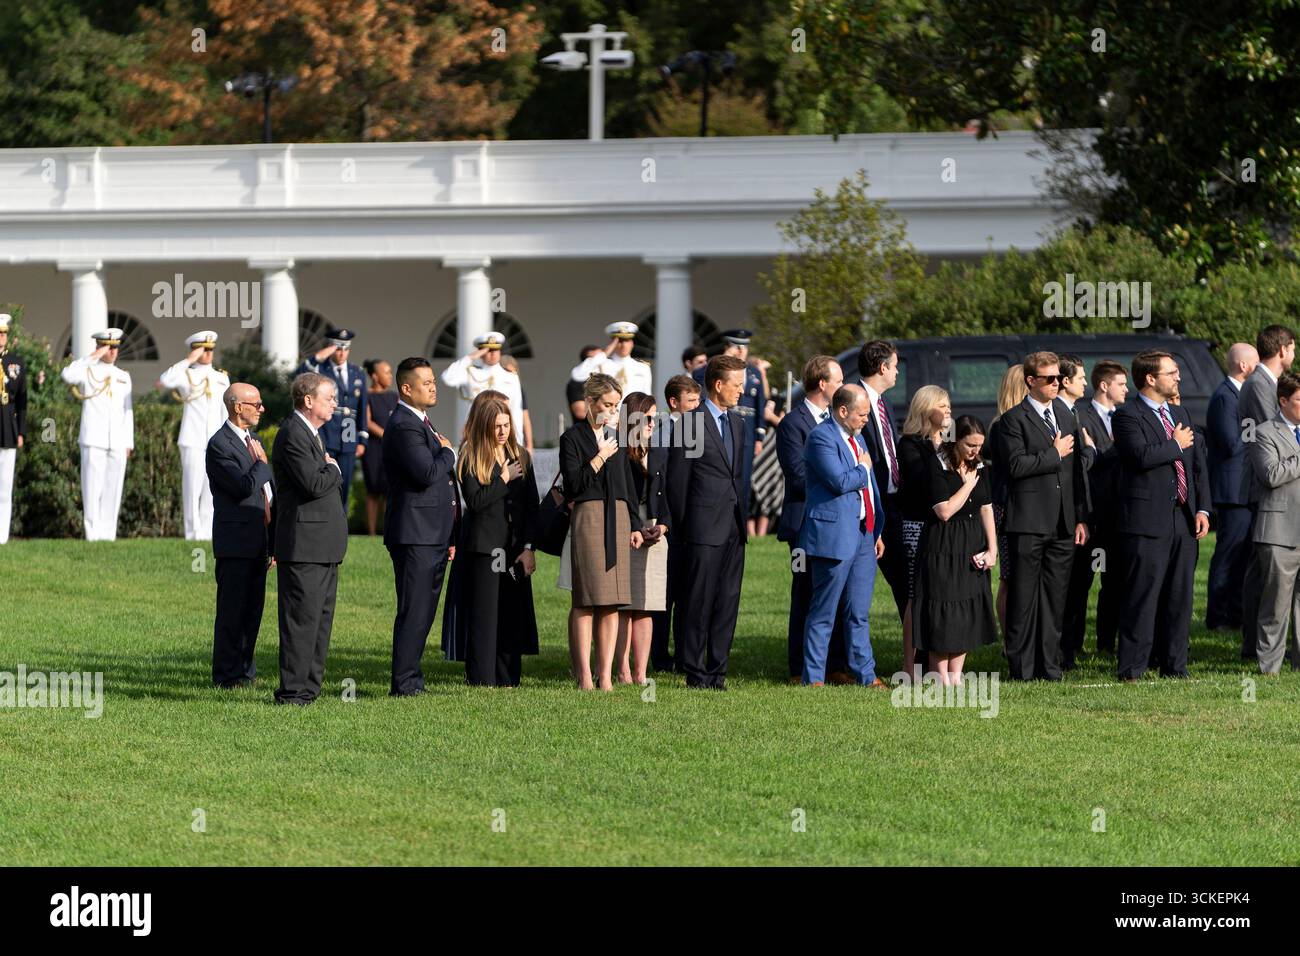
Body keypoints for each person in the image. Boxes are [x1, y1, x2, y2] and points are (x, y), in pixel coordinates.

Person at [1112, 350, 1211, 681]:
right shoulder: (1128, 415)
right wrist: (1175, 444)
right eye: (1172, 372)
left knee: (1180, 596)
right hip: (1145, 521)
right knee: (1142, 595)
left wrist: (1201, 508)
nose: (1178, 377)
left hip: (1182, 519)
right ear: (1150, 378)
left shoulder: (1180, 411)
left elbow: (1197, 467)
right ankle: (1132, 668)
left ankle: (1175, 665)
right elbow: (1138, 456)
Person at [991, 351, 1089, 681]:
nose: (1056, 384)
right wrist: (1053, 454)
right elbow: (1016, 466)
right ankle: (1022, 668)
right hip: (1028, 522)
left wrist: (1079, 517)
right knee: (1023, 598)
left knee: (1054, 599)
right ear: (1030, 381)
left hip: (1062, 523)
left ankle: (1050, 666)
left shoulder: (1065, 414)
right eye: (1049, 379)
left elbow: (1075, 471)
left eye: (1059, 378)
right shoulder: (1012, 421)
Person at [446, 391, 539, 687]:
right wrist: (502, 479)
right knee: (484, 616)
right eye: (496, 426)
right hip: (484, 547)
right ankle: (481, 678)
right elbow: (475, 500)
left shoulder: (520, 455)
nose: (502, 432)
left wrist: (528, 548)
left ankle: (509, 677)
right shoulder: (471, 454)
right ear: (485, 425)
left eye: (506, 425)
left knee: (511, 613)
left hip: (514, 548)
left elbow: (530, 505)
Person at [667, 355, 748, 690]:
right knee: (697, 601)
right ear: (718, 385)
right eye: (737, 384)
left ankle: (718, 670)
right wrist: (686, 529)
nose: (742, 391)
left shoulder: (738, 424)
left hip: (733, 527)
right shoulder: (690, 424)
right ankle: (695, 670)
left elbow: (737, 477)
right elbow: (677, 483)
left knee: (727, 600)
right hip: (701, 528)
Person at [799, 384, 888, 688]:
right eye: (862, 414)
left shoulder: (857, 437)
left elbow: (869, 489)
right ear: (842, 411)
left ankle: (866, 675)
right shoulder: (820, 438)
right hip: (834, 535)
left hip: (864, 534)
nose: (866, 419)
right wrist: (863, 469)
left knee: (858, 613)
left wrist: (876, 529)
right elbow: (839, 481)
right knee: (824, 611)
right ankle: (813, 678)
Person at [271, 373, 349, 705]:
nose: (335, 403)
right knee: (301, 622)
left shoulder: (312, 433)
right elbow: (313, 484)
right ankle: (292, 693)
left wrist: (328, 468)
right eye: (329, 398)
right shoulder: (293, 433)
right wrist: (334, 469)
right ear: (308, 400)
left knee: (320, 621)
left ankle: (309, 689)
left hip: (323, 545)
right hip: (304, 545)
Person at [383, 357, 458, 697]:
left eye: (433, 381)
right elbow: (426, 473)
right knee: (414, 609)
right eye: (426, 382)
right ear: (406, 388)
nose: (433, 387)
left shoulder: (421, 422)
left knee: (424, 609)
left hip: (432, 532)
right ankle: (404, 682)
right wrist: (448, 454)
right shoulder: (404, 425)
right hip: (415, 533)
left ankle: (412, 677)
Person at [559, 373, 638, 691]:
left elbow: (628, 487)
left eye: (616, 405)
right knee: (587, 599)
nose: (612, 411)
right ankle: (585, 678)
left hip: (617, 516)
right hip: (589, 515)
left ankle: (606, 675)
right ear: (590, 402)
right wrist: (600, 457)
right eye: (607, 404)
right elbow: (573, 485)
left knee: (612, 601)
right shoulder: (572, 438)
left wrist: (634, 523)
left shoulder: (617, 436)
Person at [776, 356, 851, 683]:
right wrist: (838, 479)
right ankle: (799, 668)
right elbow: (797, 475)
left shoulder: (839, 422)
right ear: (823, 384)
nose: (844, 386)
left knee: (834, 594)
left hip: (837, 522)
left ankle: (834, 665)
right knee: (804, 592)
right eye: (838, 380)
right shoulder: (794, 424)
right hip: (803, 525)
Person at [912, 415, 999, 684]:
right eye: (970, 445)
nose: (975, 451)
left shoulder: (978, 465)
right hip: (942, 546)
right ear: (955, 440)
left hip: (971, 545)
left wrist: (992, 549)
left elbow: (986, 507)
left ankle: (956, 677)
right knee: (943, 611)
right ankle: (940, 678)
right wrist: (968, 484)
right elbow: (945, 511)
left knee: (965, 611)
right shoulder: (936, 464)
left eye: (979, 446)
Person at [205, 382, 274, 689]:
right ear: (237, 407)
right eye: (255, 404)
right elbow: (243, 487)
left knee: (252, 611)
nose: (261, 409)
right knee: (232, 611)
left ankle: (245, 670)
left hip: (259, 539)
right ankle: (226, 674)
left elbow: (267, 493)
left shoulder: (253, 440)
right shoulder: (220, 444)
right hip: (235, 542)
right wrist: (262, 464)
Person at [1237, 325, 1295, 660]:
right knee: (1264, 573)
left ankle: (1268, 646)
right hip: (1267, 488)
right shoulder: (1260, 385)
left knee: (1266, 573)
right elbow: (1275, 434)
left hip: (1284, 490)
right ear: (1284, 348)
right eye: (1293, 347)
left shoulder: (1266, 383)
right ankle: (1258, 647)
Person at [1070, 360, 1129, 656]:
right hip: (1091, 513)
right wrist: (1114, 448)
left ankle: (1106, 644)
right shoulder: (1080, 417)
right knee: (1080, 585)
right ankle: (1073, 645)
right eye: (1121, 384)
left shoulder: (1125, 418)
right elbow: (1086, 462)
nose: (1126, 389)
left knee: (1114, 584)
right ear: (1104, 385)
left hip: (1117, 516)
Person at [1245, 371, 1300, 675]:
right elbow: (1271, 475)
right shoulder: (1264, 432)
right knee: (1276, 605)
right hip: (1279, 533)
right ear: (1283, 400)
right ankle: (1269, 668)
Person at [897, 385, 952, 677]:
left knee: (940, 595)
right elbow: (922, 482)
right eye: (941, 406)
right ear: (925, 409)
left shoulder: (948, 442)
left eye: (948, 406)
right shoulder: (909, 444)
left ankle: (936, 664)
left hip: (944, 528)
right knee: (915, 596)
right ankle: (909, 667)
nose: (948, 412)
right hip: (917, 526)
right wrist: (937, 444)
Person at [615, 391, 670, 685]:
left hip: (655, 531)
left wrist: (663, 527)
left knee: (647, 605)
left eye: (655, 418)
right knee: (626, 606)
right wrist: (636, 528)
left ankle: (641, 672)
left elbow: (670, 495)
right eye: (647, 418)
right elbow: (622, 495)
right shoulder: (619, 450)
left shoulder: (660, 450)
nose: (652, 424)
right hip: (627, 530)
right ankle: (622, 670)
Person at [1204, 343, 1259, 632]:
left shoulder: (1238, 396)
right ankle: (1218, 617)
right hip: (1232, 491)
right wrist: (1262, 433)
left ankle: (1236, 614)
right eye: (1256, 364)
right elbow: (1230, 443)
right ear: (1243, 366)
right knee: (1228, 555)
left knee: (1243, 555)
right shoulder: (1225, 397)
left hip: (1245, 490)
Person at [61, 328, 133, 541]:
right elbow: (67, 375)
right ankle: (92, 534)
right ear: (100, 347)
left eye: (115, 347)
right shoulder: (87, 370)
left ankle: (108, 535)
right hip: (93, 438)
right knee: (92, 489)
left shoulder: (123, 377)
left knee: (113, 489)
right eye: (108, 347)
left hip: (117, 440)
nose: (113, 351)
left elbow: (127, 411)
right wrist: (93, 356)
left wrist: (128, 441)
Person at [650, 374, 702, 673]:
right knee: (663, 595)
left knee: (687, 594)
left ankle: (685, 655)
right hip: (668, 522)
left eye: (698, 401)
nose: (696, 407)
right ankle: (659, 655)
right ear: (674, 402)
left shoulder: (696, 431)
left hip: (690, 524)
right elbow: (662, 480)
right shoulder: (660, 431)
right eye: (691, 402)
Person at [857, 340, 909, 638]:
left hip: (892, 503)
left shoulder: (883, 401)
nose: (897, 372)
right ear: (882, 367)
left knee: (904, 581)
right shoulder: (856, 400)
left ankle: (917, 653)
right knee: (859, 588)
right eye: (895, 366)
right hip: (867, 507)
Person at [158, 330, 230, 540]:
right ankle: (192, 532)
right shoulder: (186, 375)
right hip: (192, 438)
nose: (208, 353)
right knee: (192, 486)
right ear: (195, 350)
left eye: (210, 349)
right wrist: (189, 360)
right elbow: (166, 380)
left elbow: (224, 411)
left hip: (215, 439)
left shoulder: (221, 378)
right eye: (203, 349)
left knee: (211, 486)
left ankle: (207, 531)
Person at [693, 330, 765, 519]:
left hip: (745, 430)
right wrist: (723, 364)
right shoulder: (710, 371)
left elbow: (760, 405)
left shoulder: (753, 373)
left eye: (745, 347)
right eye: (737, 347)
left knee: (742, 479)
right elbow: (701, 377)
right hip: (717, 427)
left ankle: (740, 519)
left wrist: (760, 436)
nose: (741, 351)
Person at [1056, 352, 1098, 670]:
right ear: (1065, 381)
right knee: (1067, 588)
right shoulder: (1061, 414)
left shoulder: (1073, 411)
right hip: (1067, 517)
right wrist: (1092, 452)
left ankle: (1069, 648)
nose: (1086, 383)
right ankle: (1061, 651)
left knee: (1078, 586)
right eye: (1081, 378)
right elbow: (1069, 469)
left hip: (1079, 516)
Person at [297, 328, 367, 511]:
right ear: (330, 348)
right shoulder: (320, 369)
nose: (342, 353)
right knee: (325, 478)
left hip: (349, 431)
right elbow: (299, 374)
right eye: (338, 349)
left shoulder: (356, 372)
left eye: (345, 349)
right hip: (327, 431)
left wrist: (362, 438)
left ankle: (341, 522)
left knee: (345, 480)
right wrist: (318, 357)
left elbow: (361, 406)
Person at [988, 365, 1028, 638]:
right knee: (1009, 577)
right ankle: (1009, 639)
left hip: (1015, 505)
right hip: (1007, 507)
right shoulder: (1003, 426)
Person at [441, 332, 525, 445]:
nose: (493, 353)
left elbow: (516, 411)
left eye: (495, 349)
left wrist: (518, 442)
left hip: (502, 435)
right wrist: (470, 357)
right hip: (476, 433)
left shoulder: (511, 377)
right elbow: (447, 377)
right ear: (481, 352)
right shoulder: (471, 373)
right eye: (488, 350)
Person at [361, 359, 398, 536]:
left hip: (391, 449)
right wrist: (386, 435)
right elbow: (367, 422)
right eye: (386, 372)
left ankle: (387, 530)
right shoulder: (367, 396)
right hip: (373, 448)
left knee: (389, 490)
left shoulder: (393, 396)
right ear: (375, 376)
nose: (390, 376)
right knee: (373, 490)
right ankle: (372, 533)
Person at [570, 322, 653, 401]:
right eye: (619, 341)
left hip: (635, 414)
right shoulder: (602, 364)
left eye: (627, 341)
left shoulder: (642, 367)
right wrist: (604, 353)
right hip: (610, 413)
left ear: (632, 343)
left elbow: (647, 396)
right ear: (613, 343)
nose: (624, 345)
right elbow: (577, 375)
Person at [0, 314, 28, 545]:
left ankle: (2, 535)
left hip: (8, 427)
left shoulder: (15, 363)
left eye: (3, 333)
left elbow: (22, 401)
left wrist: (21, 431)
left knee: (5, 486)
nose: (1, 338)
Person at [498, 354, 534, 451]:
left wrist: (529, 445)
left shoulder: (519, 391)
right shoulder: (494, 388)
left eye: (514, 372)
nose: (511, 375)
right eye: (508, 371)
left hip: (516, 440)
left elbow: (525, 417)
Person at [567, 345, 601, 424]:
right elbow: (581, 412)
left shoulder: (606, 382)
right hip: (585, 432)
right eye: (598, 358)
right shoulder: (576, 383)